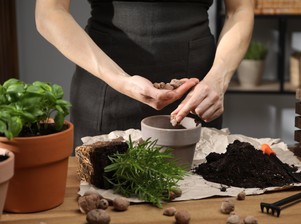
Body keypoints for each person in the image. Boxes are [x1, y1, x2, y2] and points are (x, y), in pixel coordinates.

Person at [35, 0, 254, 147]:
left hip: (195, 94)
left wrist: (218, 79)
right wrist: (120, 80)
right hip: (105, 88)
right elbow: (49, 12)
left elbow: (240, 10)